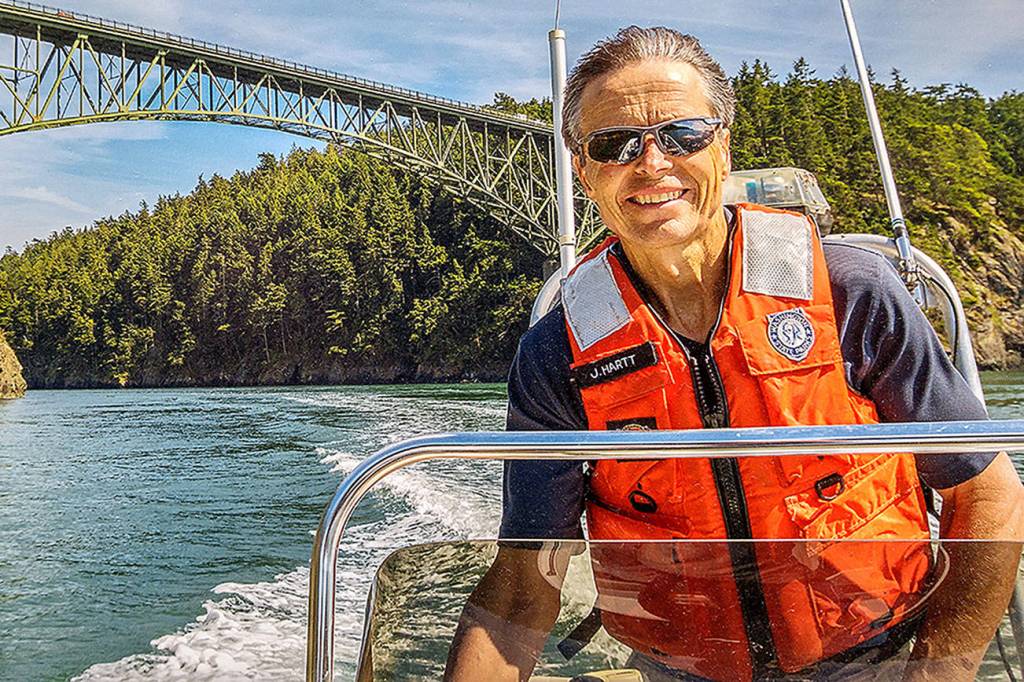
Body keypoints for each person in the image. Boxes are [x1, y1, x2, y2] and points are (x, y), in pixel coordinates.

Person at [445, 26, 1024, 682]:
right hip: (682, 670)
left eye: (683, 134)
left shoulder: (850, 296)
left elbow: (989, 495)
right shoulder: (557, 355)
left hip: (877, 659)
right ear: (583, 169)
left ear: (722, 145)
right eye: (614, 144)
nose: (651, 164)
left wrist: (935, 674)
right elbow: (524, 583)